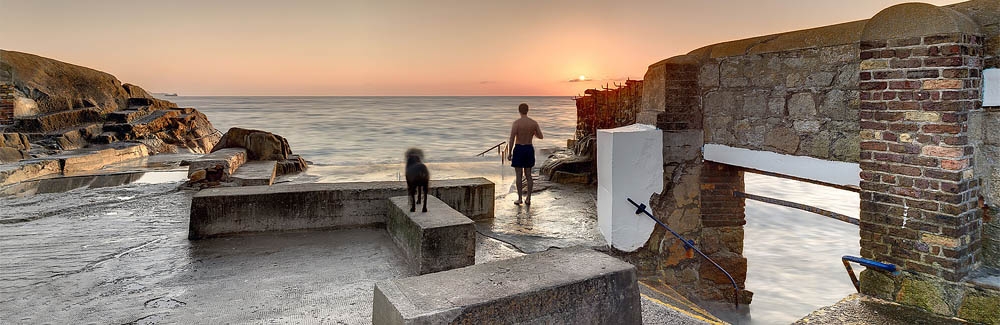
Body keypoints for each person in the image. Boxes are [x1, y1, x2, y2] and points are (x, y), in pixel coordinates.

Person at [507, 103, 543, 206]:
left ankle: (519, 199)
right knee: (528, 175)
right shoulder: (533, 123)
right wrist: (533, 133)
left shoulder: (516, 123)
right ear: (528, 110)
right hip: (528, 148)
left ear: (519, 111)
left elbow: (512, 138)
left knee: (519, 176)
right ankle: (528, 199)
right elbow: (541, 136)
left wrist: (509, 152)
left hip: (519, 148)